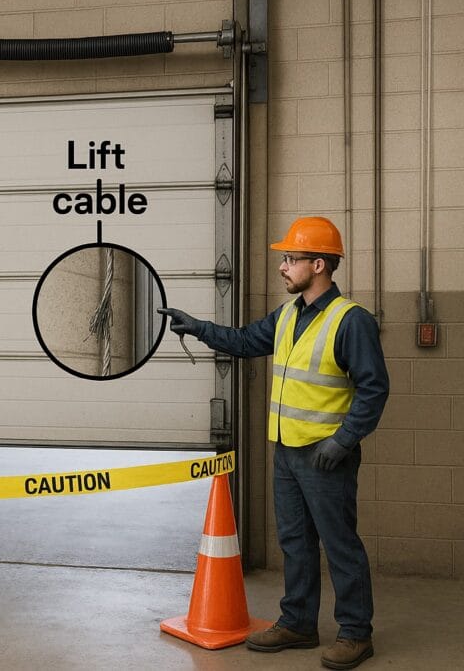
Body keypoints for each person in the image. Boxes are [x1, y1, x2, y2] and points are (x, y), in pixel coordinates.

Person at [158, 216, 388, 670]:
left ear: (318, 265)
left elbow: (374, 389)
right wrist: (197, 327)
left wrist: (342, 442)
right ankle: (299, 622)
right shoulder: (287, 316)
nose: (283, 267)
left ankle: (356, 633)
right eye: (284, 259)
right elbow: (243, 340)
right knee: (294, 541)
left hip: (326, 456)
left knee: (340, 544)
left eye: (291, 259)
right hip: (287, 451)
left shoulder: (351, 321)